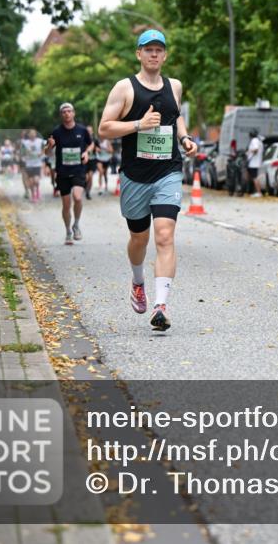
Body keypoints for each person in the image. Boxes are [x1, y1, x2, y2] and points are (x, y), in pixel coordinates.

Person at [98, 29, 197, 332]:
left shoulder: (175, 86)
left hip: (168, 171)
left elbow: (175, 114)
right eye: (148, 49)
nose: (154, 55)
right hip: (135, 176)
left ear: (165, 55)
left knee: (165, 235)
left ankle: (161, 306)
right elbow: (104, 128)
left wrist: (185, 138)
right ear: (138, 54)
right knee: (139, 238)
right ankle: (138, 280)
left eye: (159, 50)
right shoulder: (124, 88)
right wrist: (139, 124)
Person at [44, 103, 92, 244]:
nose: (66, 113)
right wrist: (50, 146)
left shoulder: (82, 130)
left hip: (78, 169)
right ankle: (68, 232)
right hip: (63, 171)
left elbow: (90, 144)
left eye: (69, 111)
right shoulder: (56, 132)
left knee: (77, 197)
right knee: (66, 204)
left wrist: (86, 152)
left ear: (73, 113)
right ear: (61, 115)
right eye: (64, 111)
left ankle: (76, 225)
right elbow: (47, 152)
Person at [21, 128, 45, 202]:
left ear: (35, 134)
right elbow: (22, 151)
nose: (32, 135)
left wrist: (41, 153)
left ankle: (37, 190)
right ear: (28, 135)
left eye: (34, 133)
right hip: (29, 164)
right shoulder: (25, 142)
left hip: (37, 164)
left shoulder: (40, 141)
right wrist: (25, 153)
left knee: (36, 180)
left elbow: (46, 148)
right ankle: (33, 195)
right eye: (31, 133)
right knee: (31, 181)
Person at [245, 128, 264, 197]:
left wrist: (249, 152)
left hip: (253, 163)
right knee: (252, 177)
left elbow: (256, 149)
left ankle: (258, 192)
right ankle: (254, 191)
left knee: (254, 177)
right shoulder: (259, 141)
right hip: (255, 162)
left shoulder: (254, 140)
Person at [84, 125, 98, 199]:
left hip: (92, 160)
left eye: (90, 131)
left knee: (90, 177)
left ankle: (88, 192)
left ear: (92, 131)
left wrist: (96, 148)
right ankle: (85, 186)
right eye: (87, 131)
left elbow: (99, 148)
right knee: (86, 177)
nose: (89, 132)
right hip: (84, 160)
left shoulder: (95, 139)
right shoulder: (82, 138)